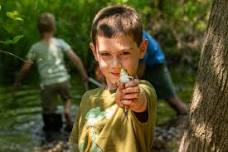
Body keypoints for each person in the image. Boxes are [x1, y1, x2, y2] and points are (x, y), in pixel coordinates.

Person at [69, 5, 157, 152]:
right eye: (105, 54)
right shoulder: (87, 98)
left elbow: (140, 100)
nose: (115, 64)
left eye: (125, 53)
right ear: (95, 52)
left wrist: (133, 96)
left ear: (142, 49)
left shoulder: (143, 90)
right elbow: (76, 145)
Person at [13, 12, 88, 132]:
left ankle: (53, 134)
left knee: (49, 113)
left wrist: (18, 82)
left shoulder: (35, 47)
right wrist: (84, 75)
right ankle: (67, 111)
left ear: (39, 29)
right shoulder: (60, 43)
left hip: (47, 84)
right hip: (63, 80)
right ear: (54, 27)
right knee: (67, 98)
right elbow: (76, 59)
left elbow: (26, 68)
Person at [138, 31, 188, 115]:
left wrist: (136, 79)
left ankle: (187, 115)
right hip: (146, 64)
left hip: (155, 64)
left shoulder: (137, 34)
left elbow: (142, 61)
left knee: (171, 98)